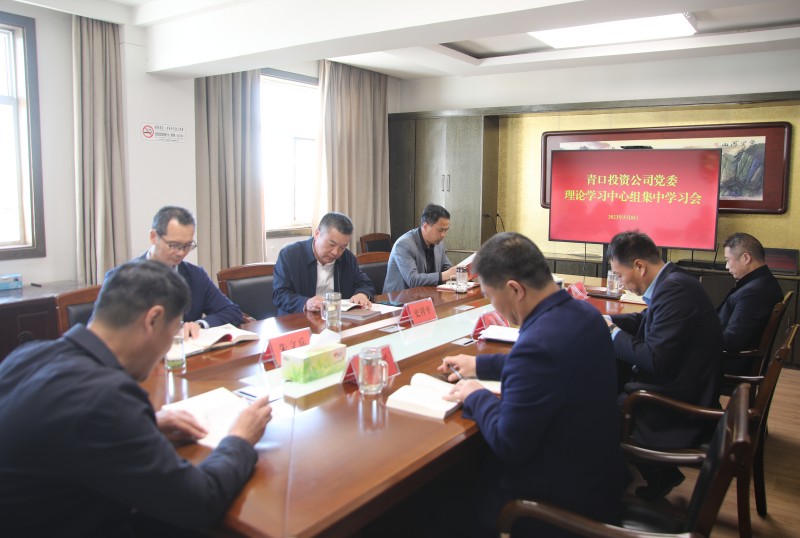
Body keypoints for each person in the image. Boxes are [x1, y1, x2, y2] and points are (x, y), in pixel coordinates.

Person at [0, 260, 272, 537]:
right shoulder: (105, 397)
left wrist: (146, 424)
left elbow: (65, 433)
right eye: (173, 333)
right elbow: (199, 502)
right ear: (153, 320)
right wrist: (240, 439)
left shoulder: (28, 355)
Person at [435, 232, 625, 537]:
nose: (493, 306)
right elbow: (547, 367)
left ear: (515, 289)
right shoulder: (585, 314)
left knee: (439, 499)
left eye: (491, 297)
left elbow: (508, 443)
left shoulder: (538, 344)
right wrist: (479, 365)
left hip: (558, 504)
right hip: (598, 477)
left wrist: (475, 393)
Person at [606, 231, 723, 500]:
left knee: (597, 405)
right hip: (685, 380)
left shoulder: (675, 290)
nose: (621, 284)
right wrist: (605, 320)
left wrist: (612, 332)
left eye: (620, 275)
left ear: (639, 266)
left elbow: (654, 360)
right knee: (611, 382)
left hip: (681, 400)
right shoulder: (674, 280)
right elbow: (645, 321)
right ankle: (658, 473)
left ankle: (612, 486)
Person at [110, 206, 243, 339]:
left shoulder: (196, 275)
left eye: (187, 245)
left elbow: (231, 311)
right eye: (174, 245)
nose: (181, 253)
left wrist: (199, 325)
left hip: (189, 349)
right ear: (153, 237)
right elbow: (109, 330)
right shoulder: (122, 279)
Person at [272, 212, 375, 316]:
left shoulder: (347, 257)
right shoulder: (290, 255)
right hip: (300, 319)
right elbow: (279, 294)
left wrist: (362, 294)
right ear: (317, 234)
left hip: (336, 318)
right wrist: (305, 303)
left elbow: (364, 283)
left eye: (342, 247)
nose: (335, 252)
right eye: (331, 244)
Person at [718, 233, 783, 366]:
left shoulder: (753, 293)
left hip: (727, 364)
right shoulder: (765, 282)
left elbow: (732, 342)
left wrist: (698, 334)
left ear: (746, 258)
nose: (727, 266)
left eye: (728, 260)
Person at [383, 203, 457, 293]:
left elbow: (448, 270)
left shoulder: (439, 244)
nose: (443, 235)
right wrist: (443, 276)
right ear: (425, 226)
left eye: (446, 230)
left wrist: (460, 273)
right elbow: (413, 280)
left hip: (426, 295)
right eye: (440, 230)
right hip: (398, 298)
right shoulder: (404, 244)